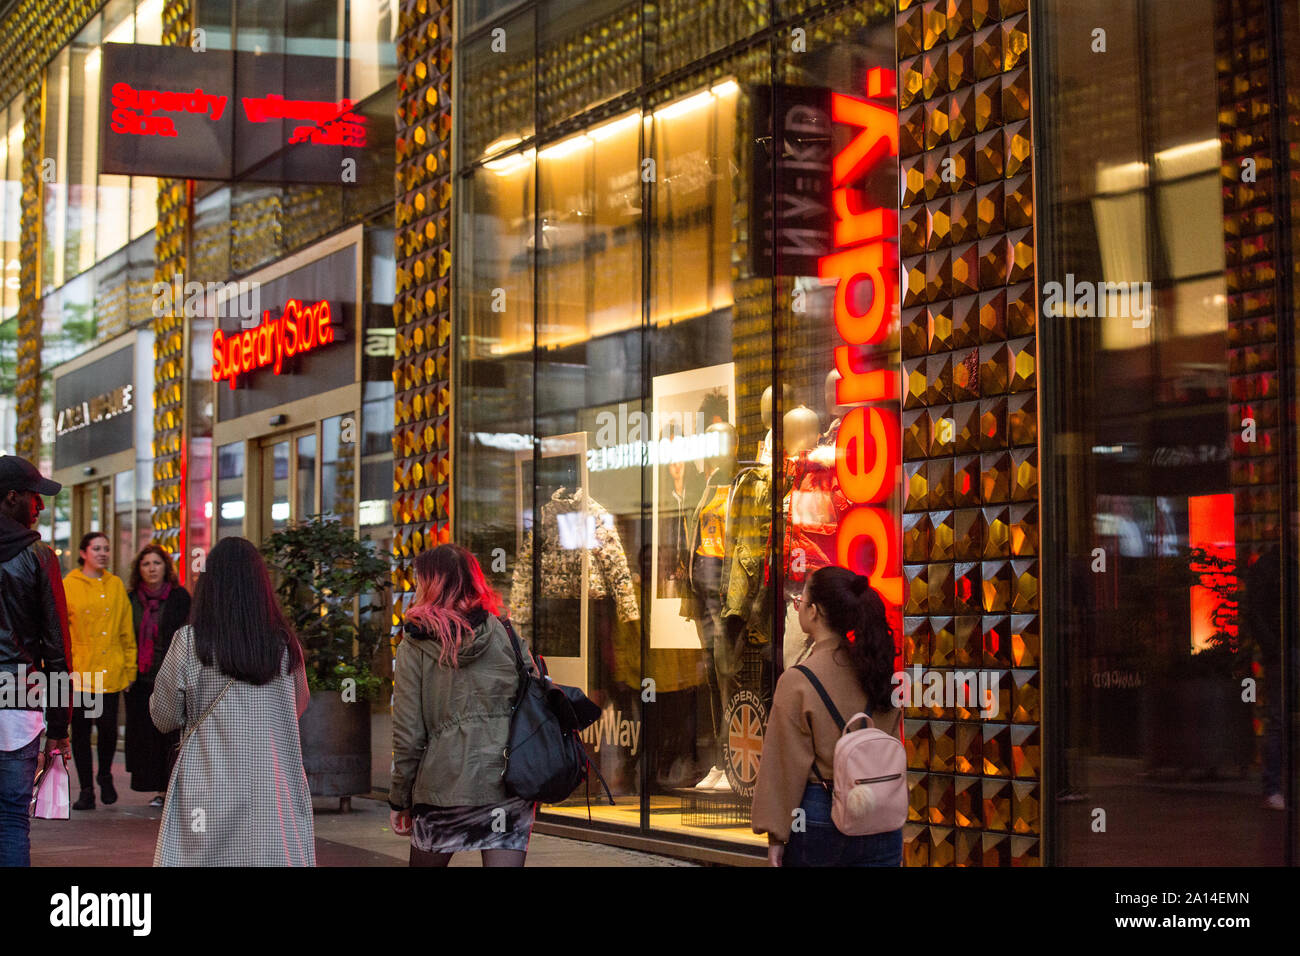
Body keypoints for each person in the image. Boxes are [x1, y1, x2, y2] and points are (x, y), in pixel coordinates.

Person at [149, 536, 314, 866]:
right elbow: (298, 705)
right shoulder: (285, 645)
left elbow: (163, 716)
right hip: (273, 792)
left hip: (207, 787)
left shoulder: (190, 642)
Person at [389, 543, 538, 867]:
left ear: (430, 585)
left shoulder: (415, 646)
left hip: (443, 787)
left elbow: (409, 735)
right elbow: (533, 701)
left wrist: (400, 799)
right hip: (507, 782)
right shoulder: (506, 633)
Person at [751, 566, 903, 867]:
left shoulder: (798, 680)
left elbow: (783, 768)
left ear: (815, 611)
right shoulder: (879, 672)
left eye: (801, 600)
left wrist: (776, 836)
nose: (798, 606)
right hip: (882, 812)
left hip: (820, 815)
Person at [0, 456, 72, 867]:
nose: (40, 507)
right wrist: (59, 726)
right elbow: (56, 648)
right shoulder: (39, 557)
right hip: (17, 705)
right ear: (12, 497)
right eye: (34, 497)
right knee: (12, 819)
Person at [64, 531, 136, 810]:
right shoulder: (70, 584)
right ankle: (85, 790)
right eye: (97, 548)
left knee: (107, 731)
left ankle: (104, 774)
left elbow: (125, 629)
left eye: (106, 548)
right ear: (84, 553)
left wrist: (130, 668)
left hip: (111, 669)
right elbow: (63, 631)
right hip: (81, 672)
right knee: (81, 733)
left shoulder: (116, 584)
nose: (103, 553)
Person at [124, 545, 191, 807]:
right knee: (145, 735)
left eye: (157, 563)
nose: (152, 568)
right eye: (146, 564)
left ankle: (170, 787)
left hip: (170, 674)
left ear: (166, 567)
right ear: (139, 569)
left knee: (171, 733)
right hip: (140, 678)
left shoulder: (179, 597)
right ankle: (157, 787)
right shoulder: (130, 599)